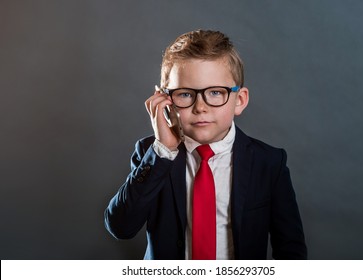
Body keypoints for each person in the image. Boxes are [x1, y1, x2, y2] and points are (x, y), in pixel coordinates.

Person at [104, 30, 307, 260]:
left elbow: (291, 249)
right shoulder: (152, 155)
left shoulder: (269, 163)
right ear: (163, 100)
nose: (200, 107)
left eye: (215, 92)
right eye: (185, 94)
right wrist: (163, 150)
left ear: (239, 101)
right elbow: (121, 227)